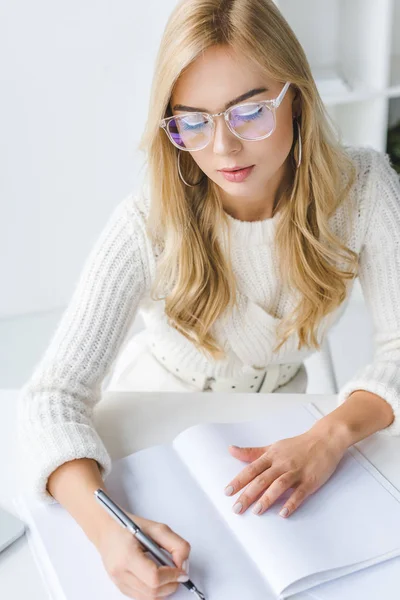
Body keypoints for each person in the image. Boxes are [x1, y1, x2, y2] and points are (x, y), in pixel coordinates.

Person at [17, 0, 400, 598]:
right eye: (192, 121)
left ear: (296, 96)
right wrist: (105, 531)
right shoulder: (147, 222)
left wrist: (329, 435)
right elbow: (50, 397)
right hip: (151, 415)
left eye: (249, 111)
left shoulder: (366, 190)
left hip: (279, 422)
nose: (223, 148)